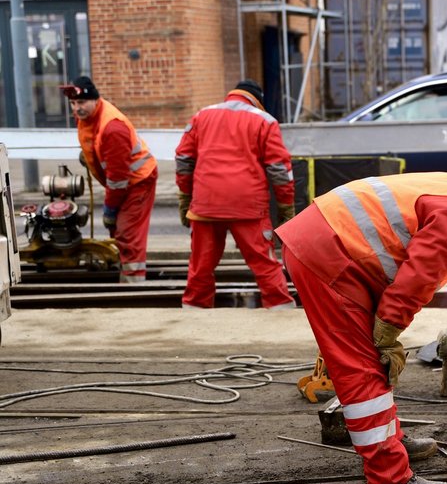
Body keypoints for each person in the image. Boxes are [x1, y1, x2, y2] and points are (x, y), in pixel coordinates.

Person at [276, 171, 447, 484]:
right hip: (331, 254)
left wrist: (387, 331)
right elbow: (417, 280)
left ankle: (390, 441)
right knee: (363, 367)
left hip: (329, 242)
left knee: (369, 362)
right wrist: (387, 331)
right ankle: (388, 482)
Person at [175, 80, 296, 309]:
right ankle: (281, 312)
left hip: (206, 206)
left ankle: (193, 316)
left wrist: (185, 197)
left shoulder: (201, 116)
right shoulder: (264, 120)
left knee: (200, 267)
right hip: (248, 207)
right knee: (265, 265)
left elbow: (184, 160)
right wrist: (285, 207)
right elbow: (279, 169)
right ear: (257, 101)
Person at [62, 76, 157, 283]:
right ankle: (125, 266)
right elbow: (94, 142)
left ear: (95, 100)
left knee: (127, 232)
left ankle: (133, 283)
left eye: (81, 103)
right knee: (118, 229)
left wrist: (110, 209)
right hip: (123, 180)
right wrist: (89, 157)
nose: (77, 108)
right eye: (73, 103)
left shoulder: (113, 128)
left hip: (138, 181)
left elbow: (118, 179)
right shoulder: (88, 116)